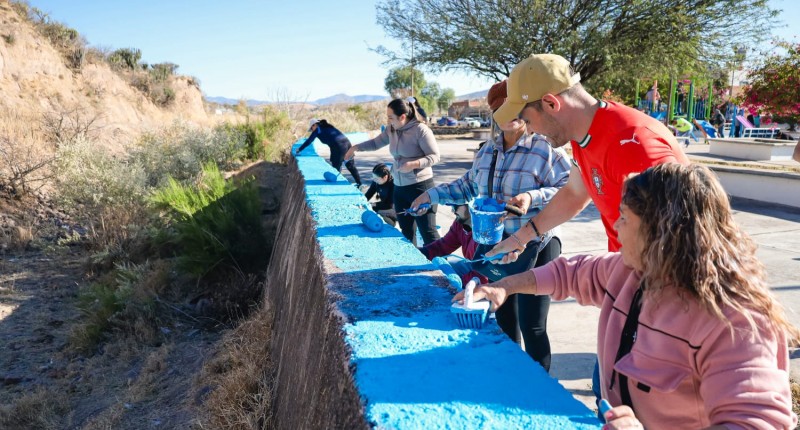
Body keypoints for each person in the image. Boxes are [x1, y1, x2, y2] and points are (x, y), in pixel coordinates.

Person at [457, 163, 799, 429]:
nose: (616, 228)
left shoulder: (735, 321)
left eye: (624, 218)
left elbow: (757, 423)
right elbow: (569, 272)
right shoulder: (629, 272)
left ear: (662, 232)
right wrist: (505, 286)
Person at [488, 53, 689, 407]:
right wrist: (523, 235)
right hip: (627, 281)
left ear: (551, 103)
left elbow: (680, 237)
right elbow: (573, 195)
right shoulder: (584, 138)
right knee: (607, 390)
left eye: (527, 118)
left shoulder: (634, 143)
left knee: (622, 401)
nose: (528, 129)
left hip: (662, 300)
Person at [410, 80, 571, 371]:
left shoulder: (545, 150)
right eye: (499, 109)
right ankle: (511, 374)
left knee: (533, 323)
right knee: (505, 315)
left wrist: (532, 196)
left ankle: (537, 386)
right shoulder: (488, 152)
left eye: (514, 107)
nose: (508, 115)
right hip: (499, 245)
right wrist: (431, 193)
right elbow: (468, 186)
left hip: (538, 243)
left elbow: (568, 190)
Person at [344, 98, 441, 245]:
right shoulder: (391, 129)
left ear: (402, 117)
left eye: (391, 117)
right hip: (399, 188)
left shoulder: (421, 130)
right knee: (407, 231)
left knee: (428, 231)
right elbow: (376, 143)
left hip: (420, 187)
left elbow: (435, 156)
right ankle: (413, 266)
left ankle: (439, 265)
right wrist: (355, 147)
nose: (388, 121)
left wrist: (414, 164)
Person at [418, 205, 488, 287]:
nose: (453, 211)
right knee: (436, 268)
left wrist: (451, 283)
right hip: (475, 268)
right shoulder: (460, 223)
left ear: (471, 205)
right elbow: (442, 246)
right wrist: (420, 253)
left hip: (490, 280)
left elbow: (484, 277)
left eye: (455, 206)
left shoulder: (487, 235)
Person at [296, 119, 363, 187]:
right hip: (347, 143)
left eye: (311, 128)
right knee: (350, 165)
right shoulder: (328, 127)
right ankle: (359, 184)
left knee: (335, 166)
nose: (312, 130)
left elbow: (309, 141)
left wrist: (299, 149)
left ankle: (335, 186)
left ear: (314, 125)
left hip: (338, 146)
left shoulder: (318, 130)